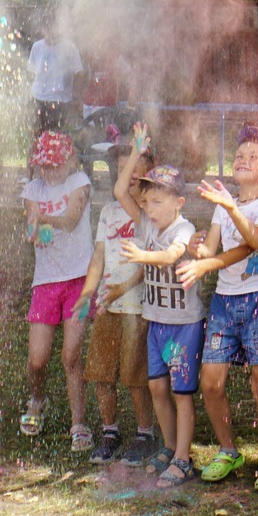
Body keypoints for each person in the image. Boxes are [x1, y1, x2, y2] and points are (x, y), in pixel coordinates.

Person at [176, 126, 258, 491]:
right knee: (210, 382)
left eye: (253, 156)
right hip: (224, 301)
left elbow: (255, 240)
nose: (243, 159)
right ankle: (229, 450)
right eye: (239, 154)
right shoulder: (224, 205)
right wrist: (197, 249)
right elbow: (212, 249)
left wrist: (229, 209)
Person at [114, 124, 205, 488]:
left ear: (178, 203)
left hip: (184, 324)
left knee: (182, 394)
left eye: (157, 202)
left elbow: (171, 255)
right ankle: (169, 448)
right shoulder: (146, 223)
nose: (148, 208)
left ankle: (184, 459)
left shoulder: (183, 228)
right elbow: (122, 189)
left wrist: (142, 254)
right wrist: (136, 152)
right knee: (157, 389)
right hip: (157, 322)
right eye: (146, 201)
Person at [76, 142, 159, 467]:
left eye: (136, 166)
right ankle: (110, 432)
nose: (131, 173)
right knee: (101, 373)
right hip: (107, 306)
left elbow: (147, 264)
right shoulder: (109, 212)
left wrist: (121, 288)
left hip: (136, 308)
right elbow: (99, 256)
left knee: (135, 376)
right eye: (124, 167)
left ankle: (145, 434)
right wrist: (88, 292)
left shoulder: (149, 212)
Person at [20, 130, 93, 450]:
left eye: (55, 165)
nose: (49, 172)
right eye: (44, 166)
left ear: (70, 161)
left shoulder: (80, 182)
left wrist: (42, 220)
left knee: (71, 355)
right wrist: (36, 231)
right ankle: (38, 400)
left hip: (79, 279)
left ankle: (79, 422)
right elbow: (35, 229)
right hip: (46, 281)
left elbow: (73, 219)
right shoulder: (32, 189)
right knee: (37, 358)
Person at [28, 27, 85, 133]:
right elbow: (31, 73)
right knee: (37, 134)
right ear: (43, 30)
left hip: (60, 100)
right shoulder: (37, 47)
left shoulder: (69, 48)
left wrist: (76, 97)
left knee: (55, 136)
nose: (51, 34)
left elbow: (80, 73)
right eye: (48, 29)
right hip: (38, 98)